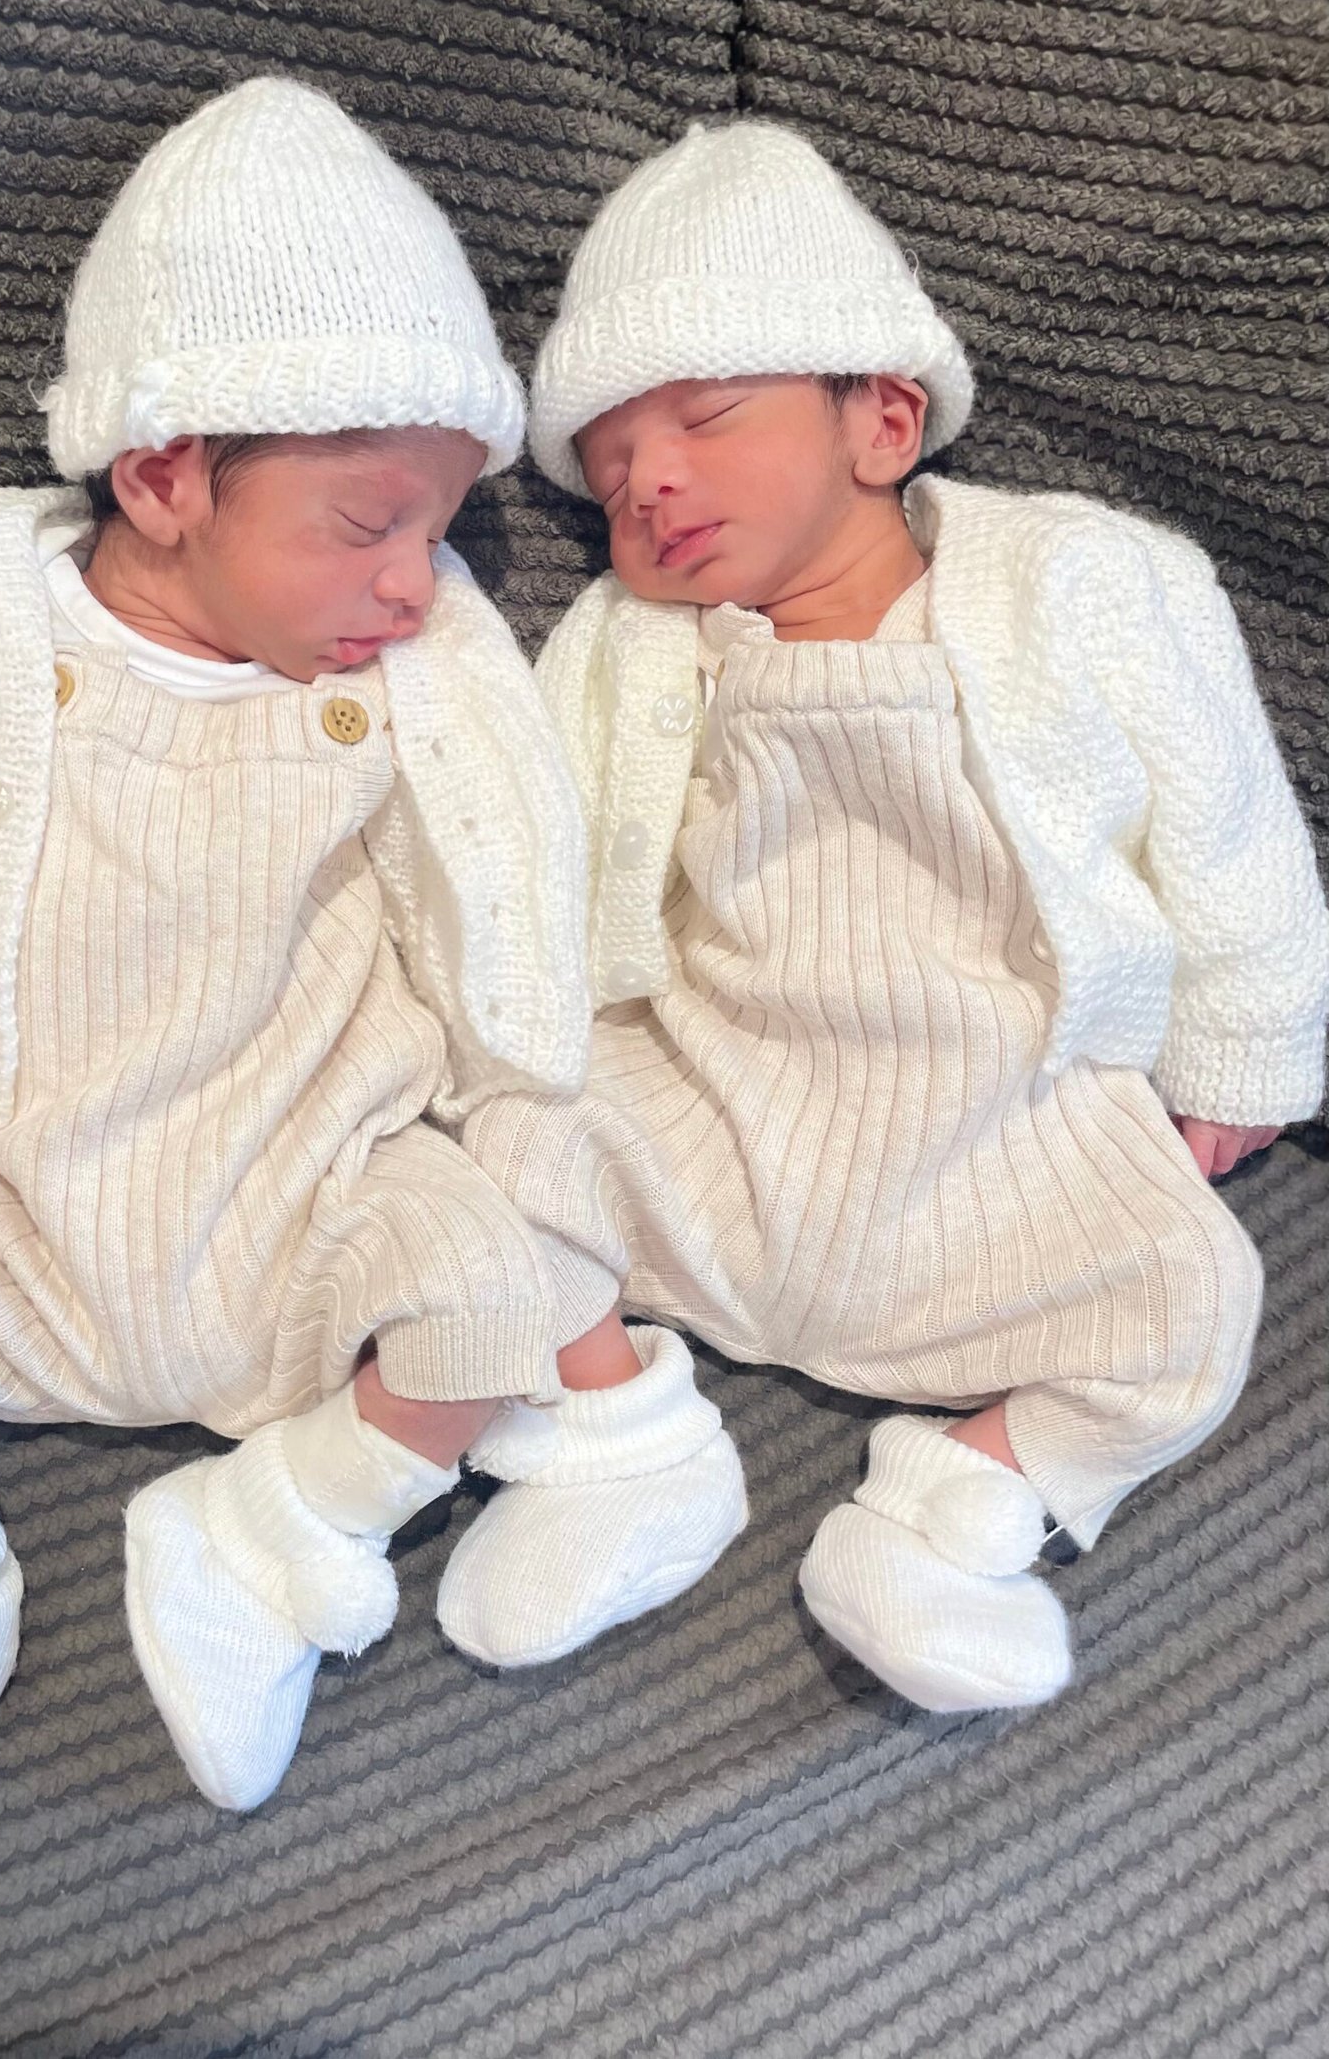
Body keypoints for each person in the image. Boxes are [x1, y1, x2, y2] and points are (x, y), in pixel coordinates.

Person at [0, 81, 745, 1864]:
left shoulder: (418, 669)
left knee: (494, 1291)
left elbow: (511, 863)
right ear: (164, 475)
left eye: (439, 532)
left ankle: (285, 1525)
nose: (415, 584)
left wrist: (518, 1079)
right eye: (367, 527)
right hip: (29, 1208)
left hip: (312, 1198)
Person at [444, 118, 1329, 1713]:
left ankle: (953, 1514)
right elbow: (535, 847)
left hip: (1003, 1114)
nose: (650, 482)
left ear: (886, 418)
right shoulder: (634, 640)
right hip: (716, 1093)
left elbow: (1227, 822)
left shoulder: (1080, 579)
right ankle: (619, 1439)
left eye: (704, 420)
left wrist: (1245, 1049)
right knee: (484, 1150)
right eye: (610, 470)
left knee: (1194, 1305)